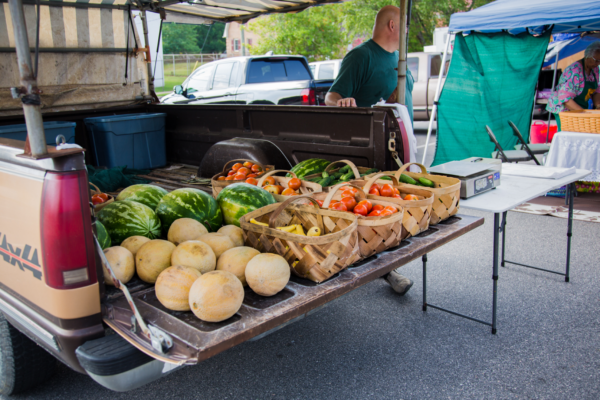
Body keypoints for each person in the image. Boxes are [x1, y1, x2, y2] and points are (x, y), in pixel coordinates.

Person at [325, 5, 415, 296]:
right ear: (392, 25)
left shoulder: (398, 59)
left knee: (396, 206)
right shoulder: (361, 56)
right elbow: (332, 95)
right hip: (372, 147)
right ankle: (387, 268)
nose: (406, 33)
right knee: (376, 209)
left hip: (402, 143)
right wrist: (341, 103)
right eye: (404, 27)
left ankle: (388, 262)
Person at [546, 41, 600, 130]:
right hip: (564, 108)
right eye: (596, 60)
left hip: (580, 107)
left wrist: (598, 106)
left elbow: (597, 90)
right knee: (568, 135)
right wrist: (583, 115)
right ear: (587, 56)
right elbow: (565, 99)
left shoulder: (595, 70)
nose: (598, 63)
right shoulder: (574, 71)